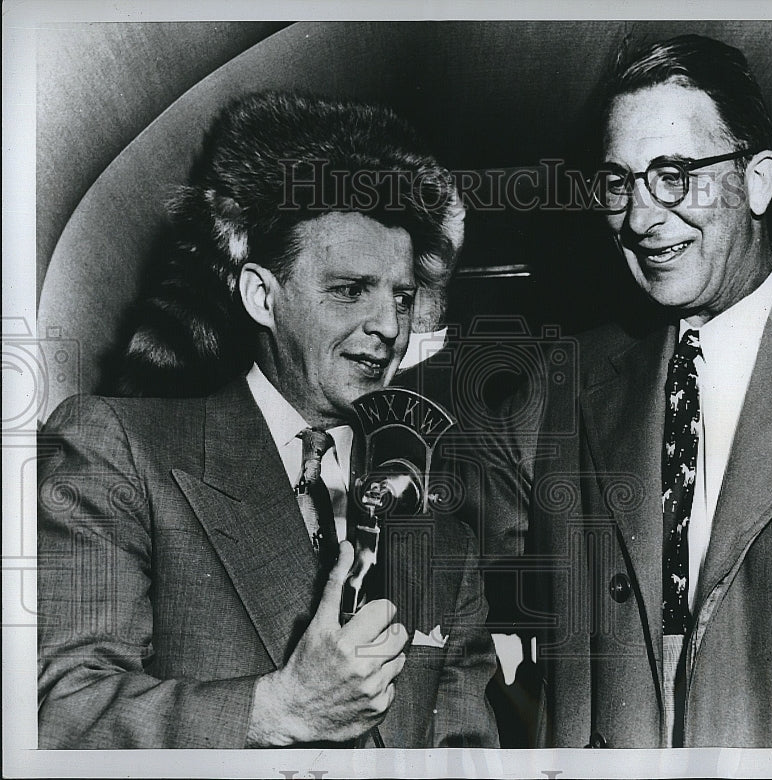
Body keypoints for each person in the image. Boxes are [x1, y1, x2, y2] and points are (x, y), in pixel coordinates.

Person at [468, 34, 772, 747]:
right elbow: (443, 544)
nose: (641, 220)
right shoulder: (566, 382)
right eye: (618, 183)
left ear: (757, 181)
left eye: (673, 173)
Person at [37, 91, 498, 749]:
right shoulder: (115, 450)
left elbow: (467, 753)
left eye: (401, 295)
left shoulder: (439, 533)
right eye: (348, 290)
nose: (390, 327)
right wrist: (280, 709)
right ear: (261, 295)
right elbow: (60, 716)